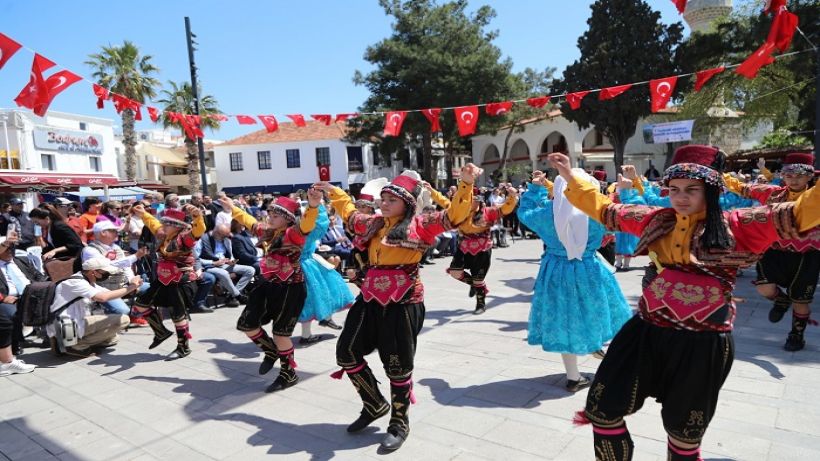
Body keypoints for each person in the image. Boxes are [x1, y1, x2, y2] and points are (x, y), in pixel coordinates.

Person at [549, 146, 819, 461]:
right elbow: (606, 210)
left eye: (692, 190)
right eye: (675, 190)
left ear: (712, 190)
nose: (681, 197)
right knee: (604, 410)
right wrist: (570, 176)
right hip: (646, 332)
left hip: (702, 342)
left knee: (684, 434)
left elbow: (800, 212)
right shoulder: (657, 220)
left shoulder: (739, 224)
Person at [315, 165, 477, 451]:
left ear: (407, 203)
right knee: (346, 352)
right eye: (383, 199)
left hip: (403, 301)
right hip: (369, 298)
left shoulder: (422, 225)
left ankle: (399, 422)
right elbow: (350, 214)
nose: (384, 203)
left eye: (391, 200)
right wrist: (334, 192)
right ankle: (374, 403)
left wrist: (465, 183)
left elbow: (455, 216)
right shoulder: (374, 223)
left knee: (398, 365)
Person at [517, 170, 631, 392]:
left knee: (565, 319)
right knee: (598, 310)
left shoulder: (548, 212)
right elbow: (623, 217)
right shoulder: (598, 211)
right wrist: (624, 192)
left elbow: (525, 212)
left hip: (556, 270)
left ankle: (573, 376)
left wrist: (536, 188)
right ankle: (600, 349)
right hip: (589, 268)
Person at [227, 191, 322, 393]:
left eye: (275, 215)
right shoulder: (267, 232)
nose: (270, 218)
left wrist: (312, 207)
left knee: (281, 334)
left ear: (287, 219)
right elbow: (249, 220)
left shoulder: (293, 233)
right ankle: (271, 352)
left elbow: (306, 225)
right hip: (268, 284)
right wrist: (232, 208)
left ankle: (288, 374)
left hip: (290, 287)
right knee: (247, 325)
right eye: (270, 214)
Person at [723, 154, 819, 351]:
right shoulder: (772, 192)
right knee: (764, 288)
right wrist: (718, 172)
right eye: (789, 175)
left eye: (799, 175)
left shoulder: (815, 197)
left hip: (807, 254)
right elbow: (743, 188)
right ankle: (781, 300)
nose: (794, 179)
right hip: (774, 250)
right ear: (783, 176)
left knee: (801, 301)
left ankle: (796, 335)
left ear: (809, 176)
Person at [129, 205, 205, 360]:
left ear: (177, 226)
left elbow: (198, 231)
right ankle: (161, 331)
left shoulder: (185, 238)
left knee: (178, 315)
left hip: (180, 281)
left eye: (167, 223)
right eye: (164, 223)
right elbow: (154, 224)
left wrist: (197, 216)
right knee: (140, 305)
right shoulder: (165, 235)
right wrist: (143, 214)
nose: (163, 225)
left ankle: (183, 348)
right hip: (163, 279)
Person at [431, 182, 517, 314]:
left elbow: (506, 208)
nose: (471, 203)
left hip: (482, 249)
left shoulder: (489, 212)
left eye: (475, 201)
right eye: (469, 201)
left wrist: (511, 196)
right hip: (464, 247)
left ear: (480, 203)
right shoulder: (459, 212)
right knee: (455, 271)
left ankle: (480, 304)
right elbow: (444, 201)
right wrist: (431, 190)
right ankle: (476, 286)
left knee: (478, 279)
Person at [48, 257, 143, 356]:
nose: (107, 274)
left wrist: (130, 286)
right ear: (93, 272)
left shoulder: (84, 280)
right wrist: (131, 287)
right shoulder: (76, 283)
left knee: (112, 338)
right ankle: (75, 346)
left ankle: (68, 341)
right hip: (65, 326)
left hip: (71, 322)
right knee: (124, 320)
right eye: (104, 271)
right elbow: (102, 297)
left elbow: (110, 294)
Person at [297, 202, 354, 344]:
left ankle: (325, 319)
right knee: (312, 296)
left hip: (304, 263)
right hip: (305, 265)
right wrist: (318, 206)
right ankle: (308, 333)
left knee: (320, 292)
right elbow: (322, 223)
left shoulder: (290, 230)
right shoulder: (306, 231)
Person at [81, 221, 149, 325]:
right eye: (113, 231)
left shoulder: (116, 248)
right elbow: (107, 266)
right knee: (123, 311)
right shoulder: (89, 250)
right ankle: (122, 316)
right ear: (103, 232)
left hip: (121, 283)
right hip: (103, 288)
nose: (117, 233)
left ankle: (135, 313)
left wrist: (132, 281)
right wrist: (135, 256)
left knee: (154, 289)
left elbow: (125, 267)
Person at [0, 234, 46, 357]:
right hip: (9, 298)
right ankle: (16, 343)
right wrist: (4, 298)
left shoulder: (21, 261)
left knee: (52, 302)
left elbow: (39, 276)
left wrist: (43, 286)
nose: (10, 251)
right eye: (7, 248)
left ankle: (51, 337)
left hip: (32, 293)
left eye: (12, 248)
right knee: (11, 313)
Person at [198, 224, 255, 307]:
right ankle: (238, 296)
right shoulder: (203, 240)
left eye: (225, 235)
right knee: (224, 273)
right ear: (216, 232)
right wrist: (213, 262)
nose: (224, 237)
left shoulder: (226, 240)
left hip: (225, 264)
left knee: (250, 270)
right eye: (223, 235)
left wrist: (232, 261)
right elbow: (196, 259)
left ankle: (232, 296)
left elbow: (230, 255)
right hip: (211, 266)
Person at [29, 205, 85, 271]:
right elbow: (54, 244)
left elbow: (76, 244)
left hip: (75, 261)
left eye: (37, 222)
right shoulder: (49, 228)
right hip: (64, 262)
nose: (37, 225)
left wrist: (55, 251)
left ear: (47, 218)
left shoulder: (59, 227)